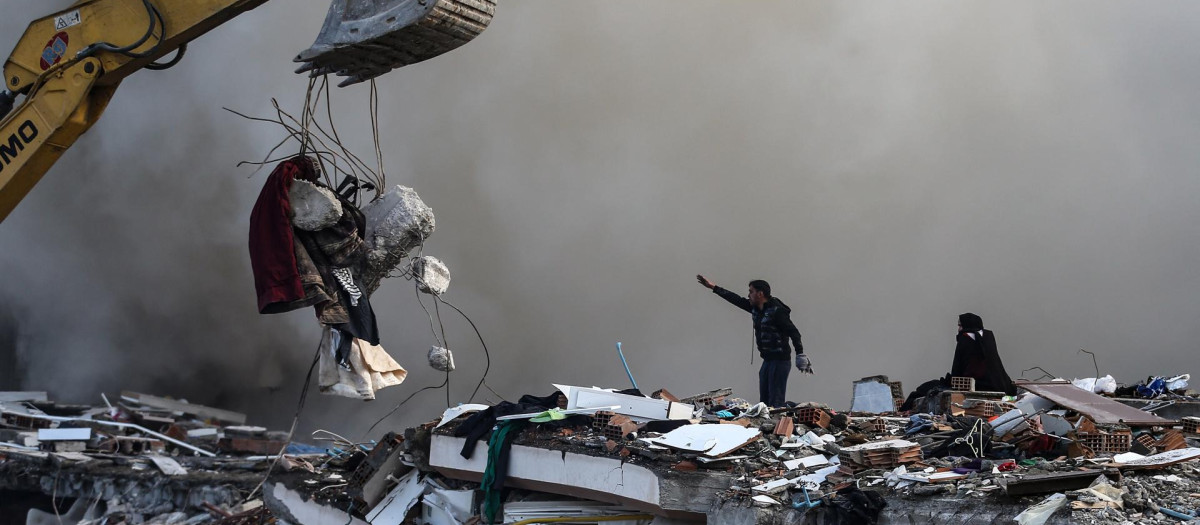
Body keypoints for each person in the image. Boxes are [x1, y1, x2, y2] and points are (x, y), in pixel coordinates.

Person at [697, 275, 811, 407]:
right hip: (767, 360)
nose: (748, 295)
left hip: (780, 361)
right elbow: (736, 300)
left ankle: (784, 419)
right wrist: (714, 287)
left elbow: (794, 332)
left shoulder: (777, 311)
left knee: (776, 402)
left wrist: (800, 354)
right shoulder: (756, 308)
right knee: (765, 401)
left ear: (760, 293)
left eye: (751, 291)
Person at [950, 312, 1017, 395]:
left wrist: (952, 382)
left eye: (960, 326)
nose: (959, 329)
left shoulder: (965, 339)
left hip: (977, 386)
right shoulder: (989, 336)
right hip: (1000, 384)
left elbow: (957, 365)